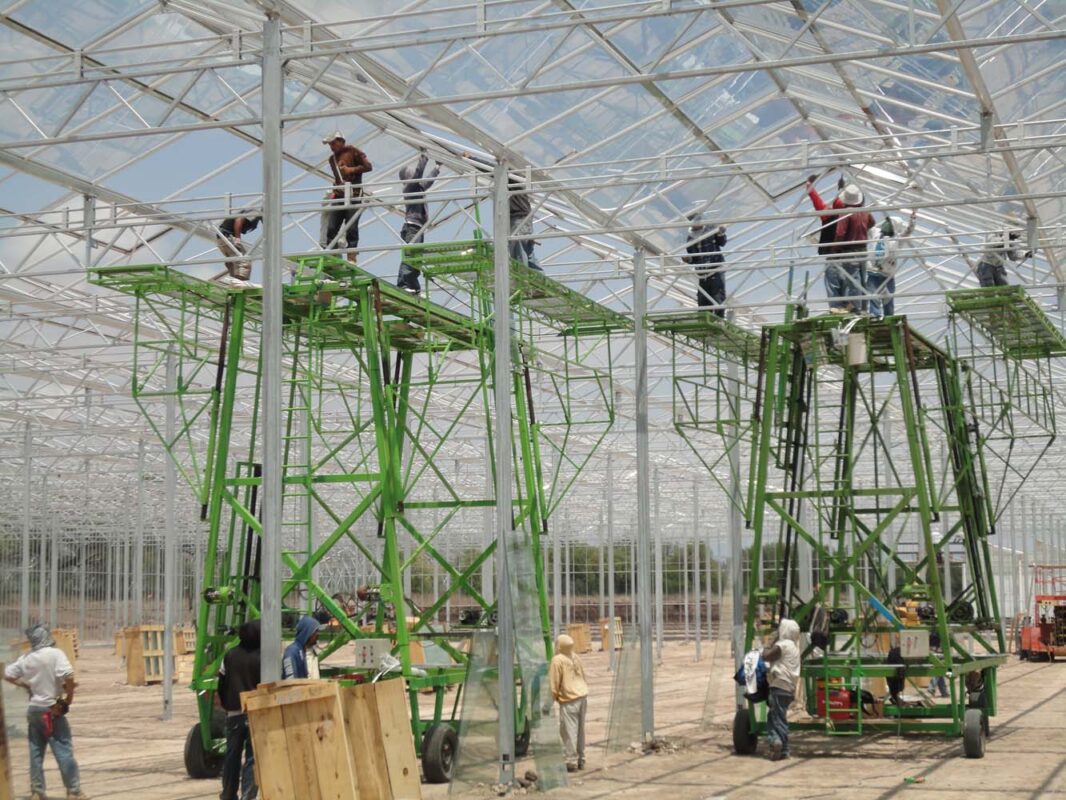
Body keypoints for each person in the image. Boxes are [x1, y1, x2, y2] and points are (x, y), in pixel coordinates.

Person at [3, 625, 86, 800]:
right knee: (63, 750)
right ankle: (73, 791)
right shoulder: (55, 654)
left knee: (36, 752)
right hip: (51, 709)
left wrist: (26, 685)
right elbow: (68, 675)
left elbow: (7, 674)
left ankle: (37, 791)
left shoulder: (26, 658)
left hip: (34, 710)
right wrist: (69, 697)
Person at [218, 620, 261, 800]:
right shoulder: (262, 657)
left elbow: (221, 682)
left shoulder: (230, 655)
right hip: (254, 713)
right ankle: (247, 796)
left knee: (232, 756)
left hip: (234, 713)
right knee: (252, 758)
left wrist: (226, 703)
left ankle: (228, 794)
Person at [321, 131, 373, 264]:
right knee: (332, 228)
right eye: (330, 144)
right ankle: (333, 256)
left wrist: (351, 170)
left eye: (333, 143)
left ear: (341, 141)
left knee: (351, 227)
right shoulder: (332, 159)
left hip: (354, 195)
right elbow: (339, 177)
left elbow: (368, 167)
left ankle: (352, 256)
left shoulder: (353, 151)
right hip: (339, 195)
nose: (331, 147)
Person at [396, 150, 442, 294]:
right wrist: (424, 157)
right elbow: (418, 174)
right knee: (411, 256)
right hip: (412, 227)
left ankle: (413, 287)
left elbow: (428, 181)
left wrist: (437, 167)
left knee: (416, 258)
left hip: (418, 228)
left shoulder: (418, 188)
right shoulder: (409, 188)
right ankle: (404, 284)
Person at [761, 618, 801, 761]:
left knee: (778, 719)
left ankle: (779, 743)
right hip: (789, 688)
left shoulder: (783, 645)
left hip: (779, 685)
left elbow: (766, 656)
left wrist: (769, 642)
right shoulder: (795, 647)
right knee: (774, 716)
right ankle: (782, 748)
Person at [833, 184, 876, 313]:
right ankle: (863, 307)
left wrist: (835, 248)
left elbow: (840, 233)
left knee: (853, 279)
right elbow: (872, 222)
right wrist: (862, 230)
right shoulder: (864, 211)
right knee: (862, 279)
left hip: (850, 250)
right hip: (862, 249)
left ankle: (855, 307)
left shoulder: (845, 213)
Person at [805, 175, 846, 311]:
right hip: (847, 254)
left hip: (832, 255)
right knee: (847, 282)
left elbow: (815, 198)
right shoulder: (850, 216)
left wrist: (809, 184)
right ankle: (847, 307)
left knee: (832, 282)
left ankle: (836, 308)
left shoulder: (827, 214)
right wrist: (842, 188)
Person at [549, 633, 588, 772]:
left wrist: (550, 701)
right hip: (582, 696)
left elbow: (554, 683)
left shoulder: (557, 660)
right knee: (580, 730)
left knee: (569, 731)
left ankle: (571, 761)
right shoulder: (575, 657)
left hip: (569, 699)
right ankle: (581, 759)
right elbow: (583, 676)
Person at [867, 210, 916, 317]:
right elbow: (869, 224)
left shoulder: (897, 240)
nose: (885, 224)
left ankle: (889, 316)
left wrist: (912, 219)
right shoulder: (876, 233)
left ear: (893, 226)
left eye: (888, 223)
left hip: (887, 274)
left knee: (888, 298)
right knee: (873, 295)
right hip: (873, 271)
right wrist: (864, 211)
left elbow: (908, 231)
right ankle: (875, 316)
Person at [683, 212, 728, 317]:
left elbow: (722, 242)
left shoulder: (711, 229)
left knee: (717, 296)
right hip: (702, 273)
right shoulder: (691, 237)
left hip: (715, 269)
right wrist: (688, 260)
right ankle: (705, 318)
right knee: (703, 300)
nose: (697, 223)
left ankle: (719, 319)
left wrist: (721, 233)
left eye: (698, 220)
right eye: (694, 221)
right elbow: (694, 257)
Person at [216, 212, 261, 286]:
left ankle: (234, 281)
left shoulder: (256, 214)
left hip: (222, 238)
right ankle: (239, 283)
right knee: (244, 260)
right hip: (228, 237)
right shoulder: (255, 212)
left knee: (233, 261)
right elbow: (239, 219)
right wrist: (237, 237)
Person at [508, 177, 541, 271]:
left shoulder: (513, 178)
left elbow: (496, 172)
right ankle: (537, 274)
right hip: (523, 219)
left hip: (519, 218)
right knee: (525, 249)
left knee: (518, 247)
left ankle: (522, 274)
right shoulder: (517, 181)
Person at [281, 616, 321, 680]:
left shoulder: (310, 651)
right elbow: (290, 681)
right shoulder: (292, 653)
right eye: (315, 631)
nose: (318, 634)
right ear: (307, 633)